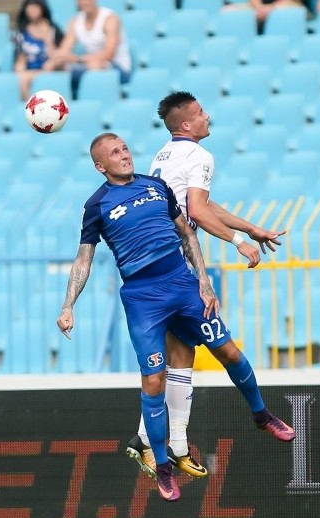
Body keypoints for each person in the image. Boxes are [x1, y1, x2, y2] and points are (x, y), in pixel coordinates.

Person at [57, 133, 245, 502]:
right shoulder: (97, 205)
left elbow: (187, 232)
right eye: (115, 152)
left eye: (125, 147)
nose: (124, 154)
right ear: (100, 166)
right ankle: (162, 450)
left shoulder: (156, 186)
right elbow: (84, 259)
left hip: (179, 283)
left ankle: (163, 444)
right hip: (144, 297)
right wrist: (68, 305)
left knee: (188, 357)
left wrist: (203, 280)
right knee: (156, 375)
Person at [124, 91, 295, 481]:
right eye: (201, 113)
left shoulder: (163, 157)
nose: (207, 116)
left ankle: (169, 444)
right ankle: (259, 414)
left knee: (181, 355)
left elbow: (200, 204)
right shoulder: (200, 157)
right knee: (227, 350)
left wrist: (251, 227)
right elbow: (197, 211)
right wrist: (240, 243)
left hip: (165, 267)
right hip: (179, 271)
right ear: (186, 124)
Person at [46, 0, 132, 98]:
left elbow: (109, 54)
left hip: (118, 68)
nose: (84, 2)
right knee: (55, 66)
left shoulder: (110, 19)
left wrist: (78, 59)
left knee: (95, 65)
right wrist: (54, 56)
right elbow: (64, 51)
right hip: (88, 66)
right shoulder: (75, 21)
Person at [14, 0, 64, 101]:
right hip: (30, 72)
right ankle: (30, 106)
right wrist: (20, 72)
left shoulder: (54, 29)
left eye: (35, 6)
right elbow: (20, 60)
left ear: (42, 8)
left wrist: (47, 39)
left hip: (51, 70)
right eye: (29, 6)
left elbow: (60, 57)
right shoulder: (21, 32)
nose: (32, 9)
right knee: (22, 78)